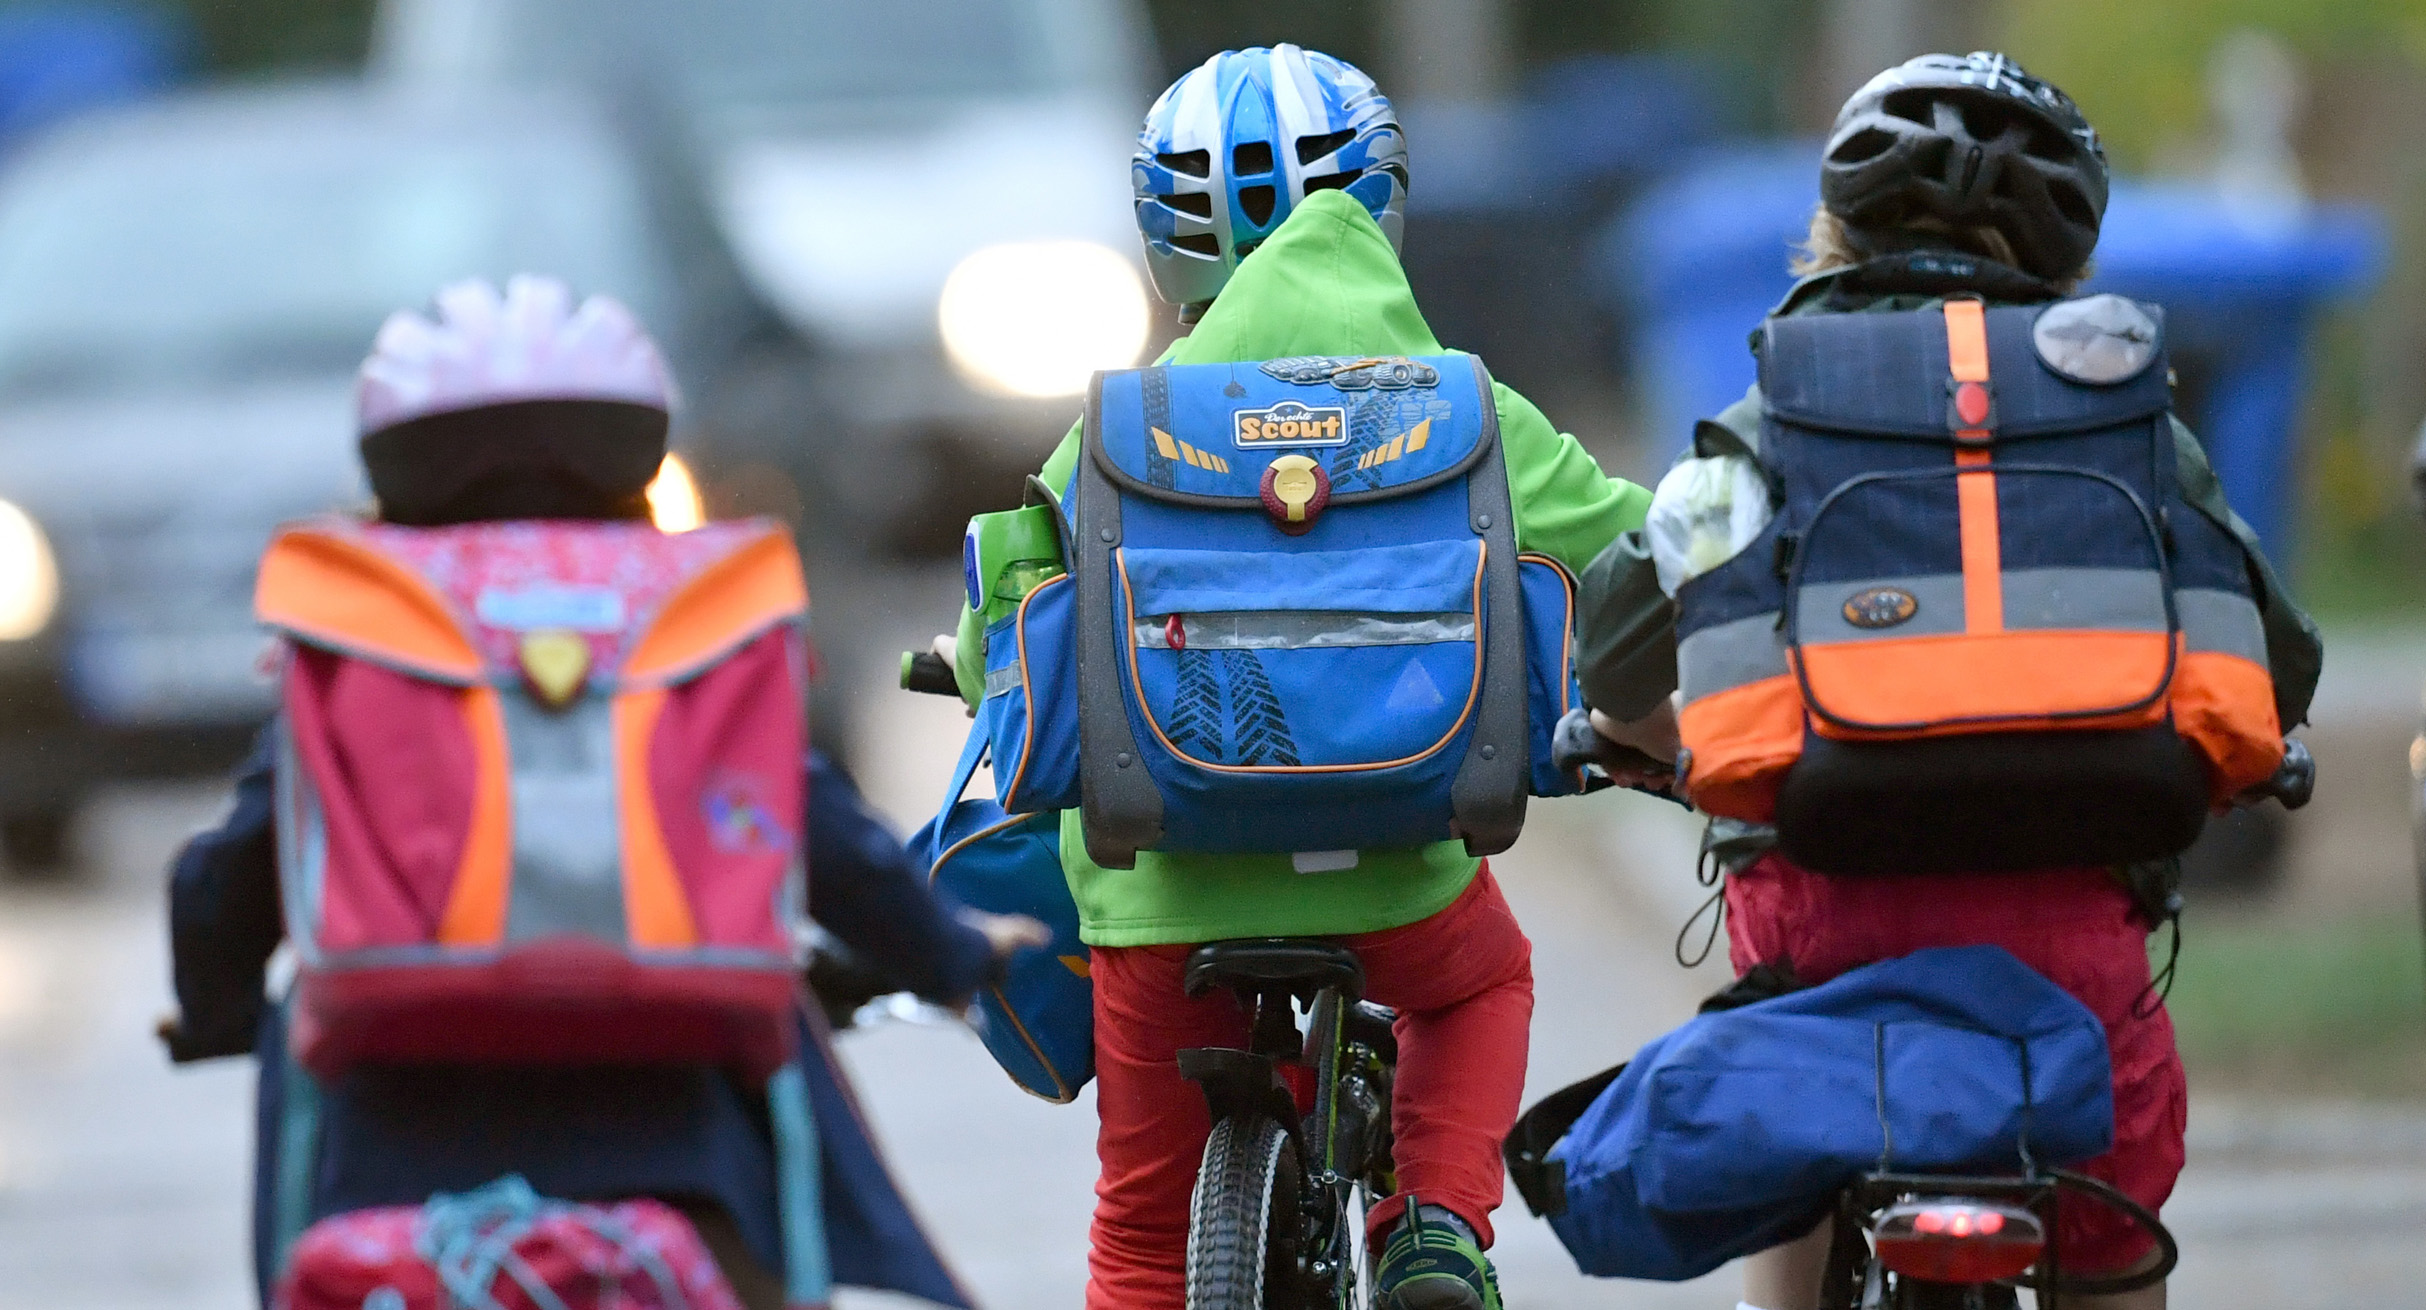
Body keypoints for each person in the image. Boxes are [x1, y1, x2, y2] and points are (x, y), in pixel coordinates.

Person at [1570, 53, 2324, 1310]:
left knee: (1797, 1123)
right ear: (2064, 256)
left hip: (1826, 923)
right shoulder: (2126, 421)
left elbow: (1618, 638)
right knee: (2111, 1199)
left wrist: (1636, 730)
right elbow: (2277, 657)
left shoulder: (1779, 411)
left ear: (1834, 230)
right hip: (2069, 940)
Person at [163, 276, 1043, 1310]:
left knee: (296, 1046)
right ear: (636, 455)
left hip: (389, 1158)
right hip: (682, 1157)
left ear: (394, 467)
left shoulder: (369, 624)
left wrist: (217, 1008)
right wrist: (950, 952)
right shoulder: (691, 611)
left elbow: (229, 873)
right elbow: (812, 827)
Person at [947, 44, 1651, 1310]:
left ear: (1168, 240)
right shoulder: (1467, 412)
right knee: (1482, 980)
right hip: (1399, 874)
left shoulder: (1117, 427)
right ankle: (1435, 1221)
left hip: (1162, 891)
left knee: (1142, 1237)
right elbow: (1634, 554)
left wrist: (961, 660)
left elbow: (1002, 616)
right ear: (1380, 201)